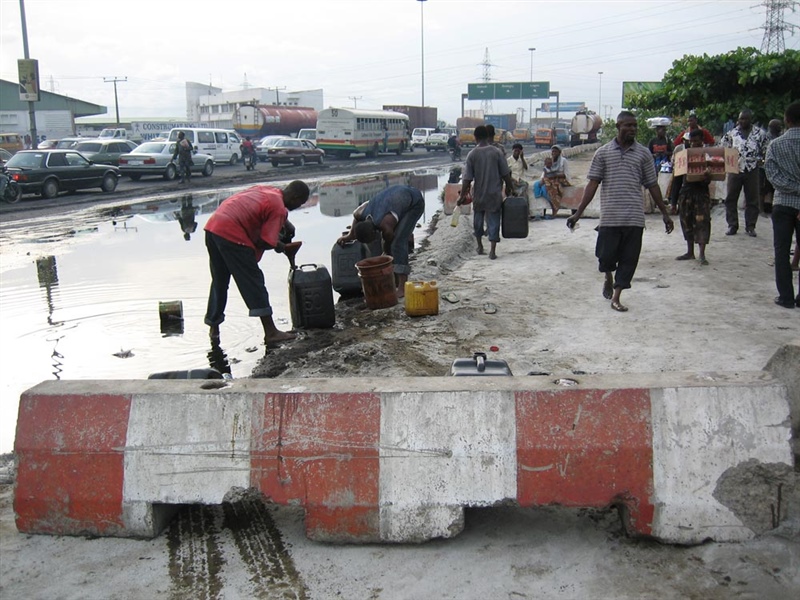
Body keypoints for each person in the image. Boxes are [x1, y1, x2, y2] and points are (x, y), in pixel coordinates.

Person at [566, 111, 674, 312]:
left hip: (634, 217)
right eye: (628, 125)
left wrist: (665, 214)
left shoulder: (643, 154)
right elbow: (592, 185)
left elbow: (653, 185)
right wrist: (577, 213)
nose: (632, 129)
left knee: (629, 259)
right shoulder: (603, 153)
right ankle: (608, 276)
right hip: (610, 217)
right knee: (605, 257)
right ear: (618, 127)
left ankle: (617, 296)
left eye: (635, 126)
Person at [204, 180, 310, 344]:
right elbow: (265, 242)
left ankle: (214, 328)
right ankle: (271, 332)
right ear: (295, 197)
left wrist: (286, 224)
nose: (299, 206)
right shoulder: (278, 209)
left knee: (219, 281)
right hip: (232, 233)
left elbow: (261, 210)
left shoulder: (269, 190)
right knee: (253, 281)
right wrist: (282, 246)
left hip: (214, 227)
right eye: (300, 203)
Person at [336, 184, 425, 298]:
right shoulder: (360, 213)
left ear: (375, 232)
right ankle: (395, 279)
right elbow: (356, 218)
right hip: (397, 196)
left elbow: (389, 240)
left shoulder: (385, 223)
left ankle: (402, 287)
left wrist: (386, 254)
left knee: (398, 243)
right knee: (393, 243)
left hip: (415, 202)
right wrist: (349, 236)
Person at [458, 125, 514, 260]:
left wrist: (461, 196)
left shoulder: (472, 154)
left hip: (479, 194)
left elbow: (467, 179)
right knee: (493, 220)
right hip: (494, 193)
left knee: (478, 220)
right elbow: (506, 174)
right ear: (488, 136)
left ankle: (480, 246)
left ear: (475, 137)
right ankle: (492, 251)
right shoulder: (497, 152)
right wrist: (509, 187)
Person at [764, 101, 800, 309]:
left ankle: (786, 297)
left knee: (781, 249)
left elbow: (773, 177)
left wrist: (793, 187)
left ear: (787, 120)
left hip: (784, 202)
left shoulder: (776, 145)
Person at [721, 108, 769, 237]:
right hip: (735, 169)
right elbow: (723, 148)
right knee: (731, 198)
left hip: (752, 169)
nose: (743, 121)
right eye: (741, 118)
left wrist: (760, 161)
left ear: (750, 119)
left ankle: (751, 226)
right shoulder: (731, 134)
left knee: (752, 199)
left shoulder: (760, 134)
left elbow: (766, 149)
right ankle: (732, 225)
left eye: (745, 118)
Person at [675, 129, 712, 266]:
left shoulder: (708, 156)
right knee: (687, 221)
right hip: (686, 192)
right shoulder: (684, 156)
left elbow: (713, 175)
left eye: (697, 141)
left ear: (702, 141)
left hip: (701, 193)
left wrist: (707, 177)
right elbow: (677, 179)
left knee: (702, 221)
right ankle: (690, 252)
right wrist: (674, 200)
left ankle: (702, 253)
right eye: (692, 141)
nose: (694, 143)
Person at [760, 118, 783, 214]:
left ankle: (771, 208)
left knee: (773, 189)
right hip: (764, 167)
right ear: (771, 127)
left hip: (777, 167)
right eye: (778, 126)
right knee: (763, 189)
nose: (780, 128)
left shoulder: (780, 137)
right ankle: (761, 209)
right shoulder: (765, 138)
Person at [541, 145, 571, 218]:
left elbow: (566, 174)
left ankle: (555, 208)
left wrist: (555, 175)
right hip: (551, 179)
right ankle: (553, 206)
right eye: (552, 151)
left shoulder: (563, 161)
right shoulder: (549, 161)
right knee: (546, 185)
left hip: (561, 179)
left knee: (554, 186)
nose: (553, 153)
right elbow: (544, 172)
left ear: (559, 152)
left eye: (555, 151)